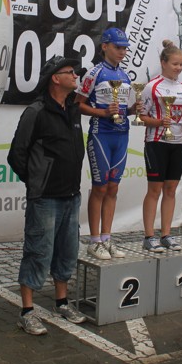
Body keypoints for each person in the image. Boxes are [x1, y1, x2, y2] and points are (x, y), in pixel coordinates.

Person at [7, 55, 87, 335]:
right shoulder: (36, 112)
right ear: (55, 78)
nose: (75, 76)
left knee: (67, 252)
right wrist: (37, 182)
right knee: (38, 252)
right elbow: (16, 155)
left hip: (71, 195)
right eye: (70, 72)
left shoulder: (73, 109)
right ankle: (27, 312)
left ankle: (62, 303)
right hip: (45, 199)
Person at [75, 27, 137, 260]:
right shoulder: (95, 73)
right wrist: (101, 112)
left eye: (124, 48)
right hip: (101, 134)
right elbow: (77, 104)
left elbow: (124, 111)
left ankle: (107, 238)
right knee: (100, 188)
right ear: (105, 46)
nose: (122, 52)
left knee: (113, 188)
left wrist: (134, 109)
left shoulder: (125, 76)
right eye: (118, 47)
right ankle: (94, 241)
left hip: (122, 135)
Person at [138, 40, 182, 252]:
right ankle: (149, 236)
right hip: (157, 142)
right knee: (154, 190)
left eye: (181, 64)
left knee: (171, 190)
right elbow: (142, 117)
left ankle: (166, 234)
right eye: (175, 64)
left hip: (178, 143)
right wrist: (159, 122)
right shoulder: (151, 87)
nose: (179, 68)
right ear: (163, 63)